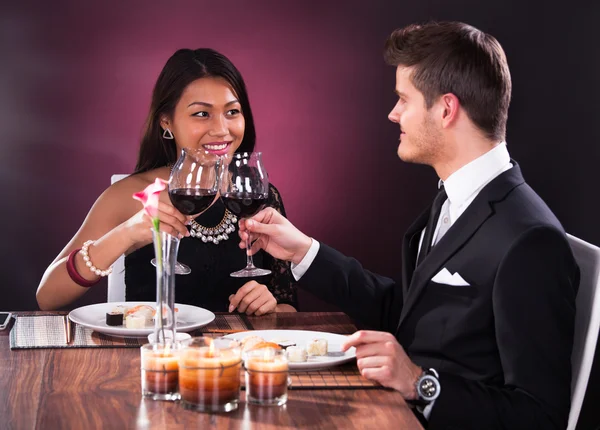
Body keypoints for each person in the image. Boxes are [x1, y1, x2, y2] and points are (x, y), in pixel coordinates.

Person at [238, 22, 579, 429]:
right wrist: (302, 251)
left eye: (403, 99)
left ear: (446, 109)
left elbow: (540, 416)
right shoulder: (455, 197)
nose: (392, 113)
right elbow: (411, 317)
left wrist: (421, 384)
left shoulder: (530, 240)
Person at [37, 48, 297, 315]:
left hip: (233, 355)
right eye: (201, 114)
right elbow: (48, 296)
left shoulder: (259, 195)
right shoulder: (132, 195)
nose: (221, 129)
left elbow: (290, 306)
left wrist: (271, 306)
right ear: (166, 122)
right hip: (153, 353)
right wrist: (126, 233)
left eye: (232, 112)